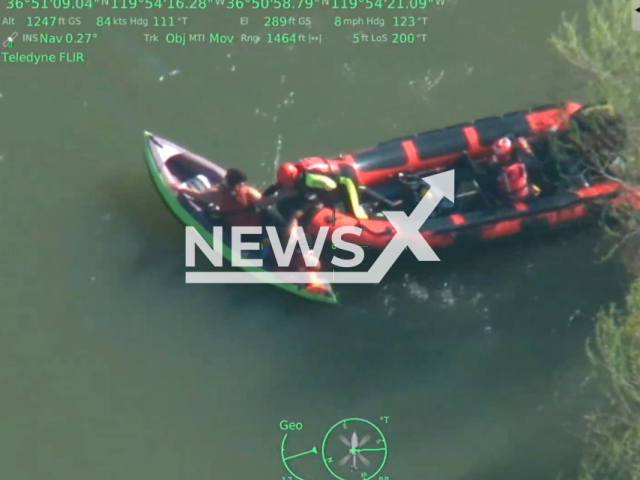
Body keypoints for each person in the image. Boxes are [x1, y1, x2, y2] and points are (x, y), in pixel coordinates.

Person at [172, 168, 263, 227]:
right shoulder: (249, 191)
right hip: (255, 225)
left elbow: (199, 196)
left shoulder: (217, 193)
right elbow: (264, 201)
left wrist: (181, 188)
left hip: (235, 229)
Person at [489, 137, 541, 201]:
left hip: (508, 200)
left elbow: (490, 184)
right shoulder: (522, 160)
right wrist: (527, 150)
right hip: (527, 195)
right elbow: (537, 165)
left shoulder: (496, 169)